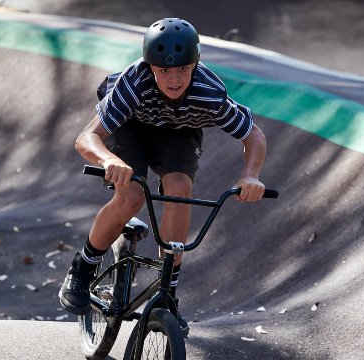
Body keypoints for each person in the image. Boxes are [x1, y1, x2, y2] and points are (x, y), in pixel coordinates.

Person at [59, 18, 268, 317]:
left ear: (195, 65)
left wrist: (251, 175)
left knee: (180, 190)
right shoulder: (134, 83)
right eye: (164, 70)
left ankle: (167, 292)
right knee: (131, 195)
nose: (174, 79)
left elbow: (254, 136)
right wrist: (109, 160)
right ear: (150, 66)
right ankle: (83, 267)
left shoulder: (208, 92)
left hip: (179, 131)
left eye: (183, 69)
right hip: (131, 127)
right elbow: (86, 138)